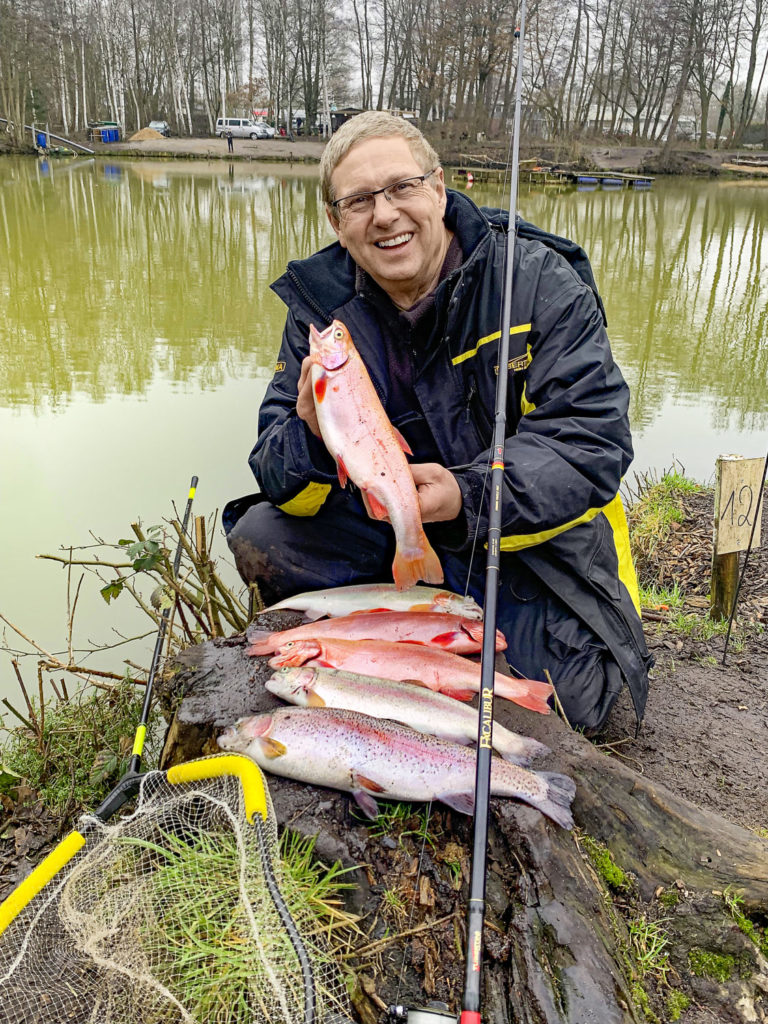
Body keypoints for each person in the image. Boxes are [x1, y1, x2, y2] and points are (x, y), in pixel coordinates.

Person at [224, 111, 652, 734]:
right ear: (336, 222)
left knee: (572, 705)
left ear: (439, 188)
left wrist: (463, 494)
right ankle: (397, 633)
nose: (386, 214)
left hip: (522, 541)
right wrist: (311, 435)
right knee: (265, 535)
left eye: (402, 187)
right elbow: (273, 466)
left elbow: (591, 444)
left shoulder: (536, 282)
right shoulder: (319, 312)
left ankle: (412, 640)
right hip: (393, 528)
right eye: (360, 200)